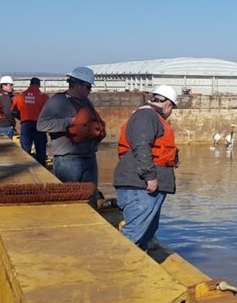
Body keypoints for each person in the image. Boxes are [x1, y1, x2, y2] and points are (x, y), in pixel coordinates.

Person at [113, 85, 179, 250]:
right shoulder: (147, 116)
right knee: (134, 232)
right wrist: (149, 176)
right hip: (140, 185)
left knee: (146, 232)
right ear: (168, 105)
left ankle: (137, 263)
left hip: (143, 183)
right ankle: (117, 265)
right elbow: (142, 145)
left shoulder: (148, 116)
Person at [36, 66, 106, 206]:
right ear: (77, 85)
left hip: (89, 158)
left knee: (90, 200)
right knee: (69, 202)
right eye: (88, 87)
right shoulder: (58, 101)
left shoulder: (87, 102)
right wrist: (71, 122)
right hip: (67, 160)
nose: (90, 90)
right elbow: (41, 125)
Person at [12, 77, 50, 165]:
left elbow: (13, 111)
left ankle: (25, 169)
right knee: (41, 150)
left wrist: (22, 118)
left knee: (25, 151)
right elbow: (49, 112)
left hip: (26, 125)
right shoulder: (44, 97)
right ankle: (41, 170)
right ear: (39, 85)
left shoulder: (20, 96)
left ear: (30, 84)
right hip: (40, 126)